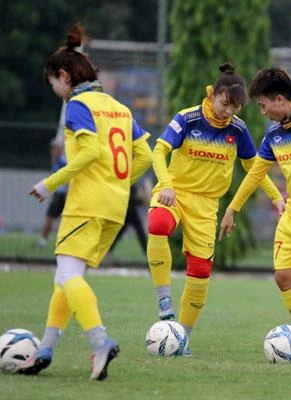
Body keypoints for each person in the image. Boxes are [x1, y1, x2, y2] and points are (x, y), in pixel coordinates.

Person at [24, 23, 152, 380]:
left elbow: (90, 152)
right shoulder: (118, 107)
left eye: (53, 82)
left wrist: (49, 184)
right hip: (114, 207)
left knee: (68, 274)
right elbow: (145, 155)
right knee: (67, 278)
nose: (55, 90)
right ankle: (45, 349)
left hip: (86, 205)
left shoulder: (78, 105)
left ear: (64, 77)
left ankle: (100, 342)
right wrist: (119, 183)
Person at [146, 63, 284, 355]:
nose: (228, 112)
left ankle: (182, 339)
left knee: (200, 271)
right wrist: (166, 184)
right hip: (175, 194)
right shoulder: (187, 118)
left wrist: (276, 197)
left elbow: (254, 167)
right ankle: (163, 299)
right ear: (212, 95)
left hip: (207, 205)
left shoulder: (238, 129)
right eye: (224, 104)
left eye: (235, 107)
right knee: (157, 224)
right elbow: (158, 151)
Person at [219, 67, 291, 360]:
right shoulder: (273, 134)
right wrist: (232, 208)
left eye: (263, 105)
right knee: (284, 277)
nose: (262, 112)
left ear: (280, 100)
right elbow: (256, 173)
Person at [36, 136, 68, 248]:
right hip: (59, 194)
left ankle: (44, 241)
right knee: (55, 218)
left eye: (55, 148)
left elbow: (67, 177)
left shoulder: (62, 162)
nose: (53, 150)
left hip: (62, 195)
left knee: (51, 217)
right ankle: (46, 241)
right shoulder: (57, 161)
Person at [108, 182, 148, 255]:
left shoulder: (130, 182)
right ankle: (147, 251)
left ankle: (109, 250)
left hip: (128, 210)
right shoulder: (127, 182)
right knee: (139, 231)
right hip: (128, 210)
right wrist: (141, 201)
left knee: (121, 231)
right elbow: (129, 198)